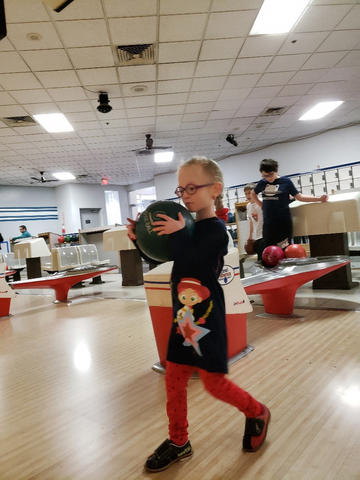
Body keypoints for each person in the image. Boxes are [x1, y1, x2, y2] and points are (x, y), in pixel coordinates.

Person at [127, 156, 270, 473]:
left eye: (193, 187)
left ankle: (257, 411)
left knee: (213, 384)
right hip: (183, 321)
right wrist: (141, 241)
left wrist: (178, 233)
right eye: (181, 189)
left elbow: (195, 260)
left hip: (208, 322)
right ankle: (179, 441)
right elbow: (166, 259)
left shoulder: (216, 231)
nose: (186, 195)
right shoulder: (187, 228)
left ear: (215, 189)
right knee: (174, 381)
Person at [251, 159, 327, 254]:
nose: (268, 178)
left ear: (276, 170)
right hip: (269, 224)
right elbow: (253, 193)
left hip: (283, 222)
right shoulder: (262, 183)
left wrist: (319, 198)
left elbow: (300, 197)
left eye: (270, 175)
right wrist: (261, 204)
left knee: (284, 250)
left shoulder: (286, 182)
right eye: (264, 176)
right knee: (269, 250)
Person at [244, 183, 263, 256]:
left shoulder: (262, 202)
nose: (248, 195)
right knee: (259, 258)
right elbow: (251, 222)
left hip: (265, 234)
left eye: (249, 193)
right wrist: (250, 236)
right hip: (257, 236)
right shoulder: (248, 206)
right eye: (246, 194)